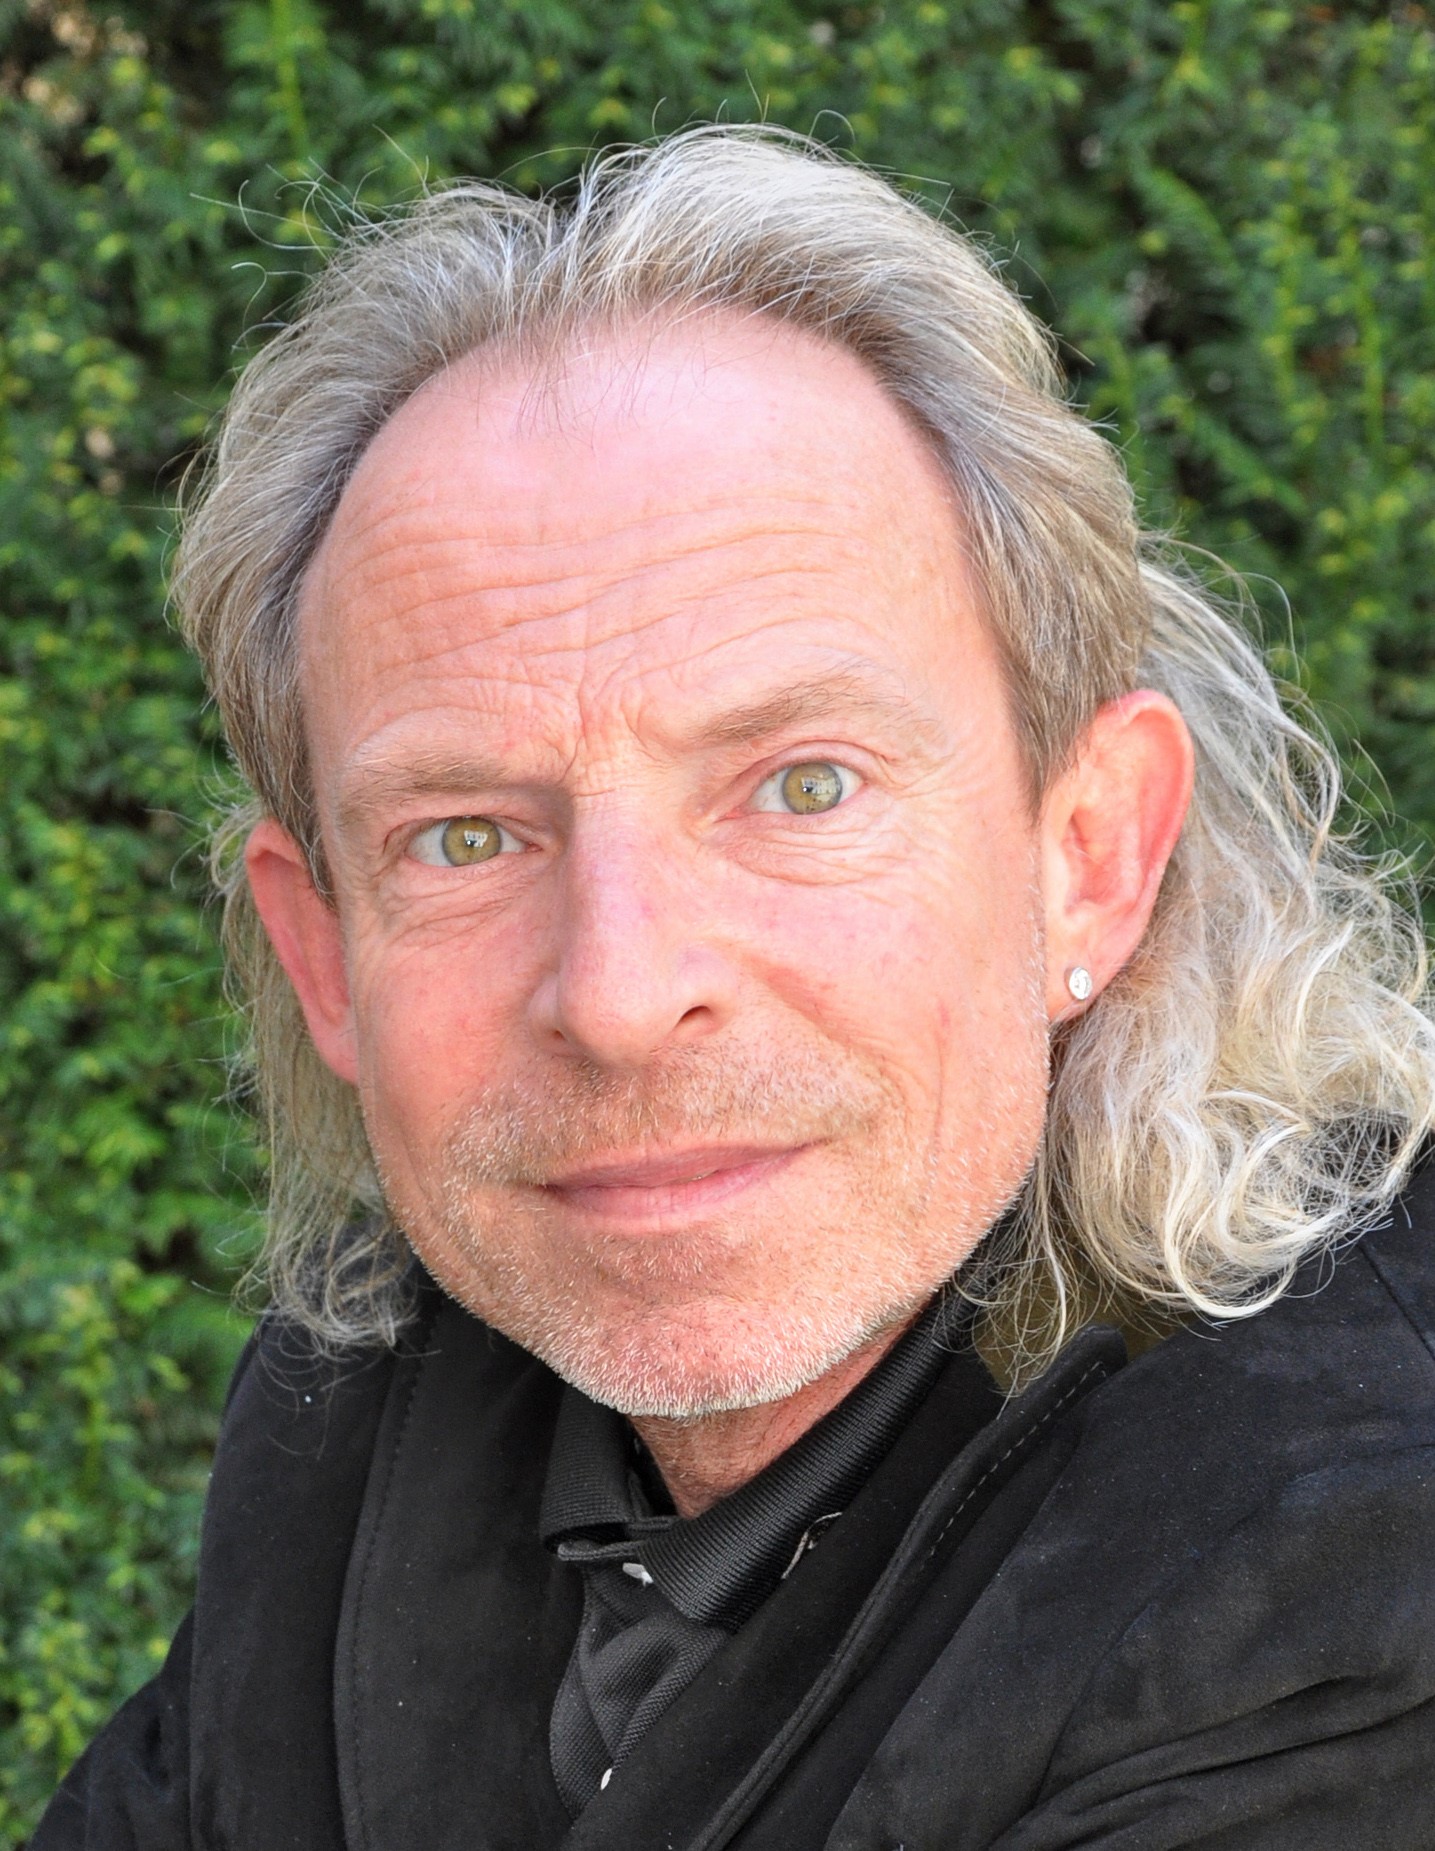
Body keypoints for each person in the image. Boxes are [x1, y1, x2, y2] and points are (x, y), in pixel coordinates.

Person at [35, 125, 1435, 1849]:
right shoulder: (364, 1403)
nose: (621, 992)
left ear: (1088, 853)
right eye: (465, 838)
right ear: (322, 950)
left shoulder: (1355, 1567)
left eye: (802, 786)